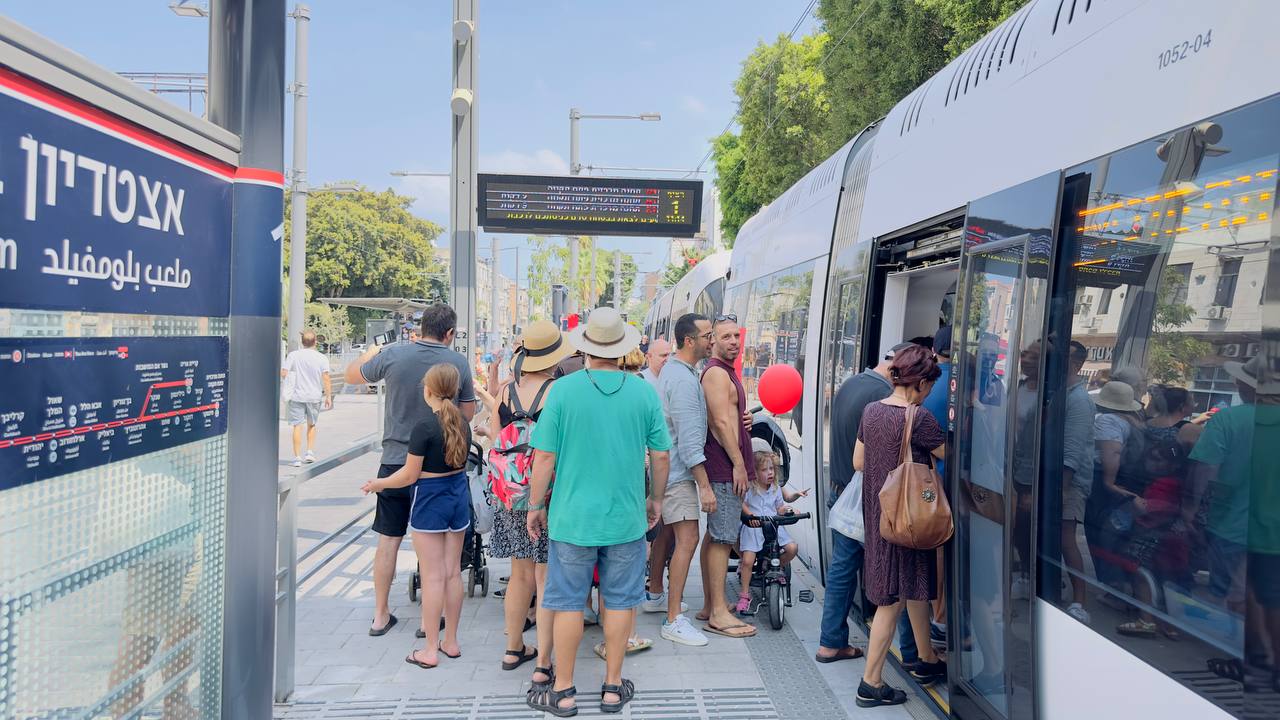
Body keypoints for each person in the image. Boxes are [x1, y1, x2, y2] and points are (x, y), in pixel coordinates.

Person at [524, 307, 671, 716]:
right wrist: (656, 500)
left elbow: (544, 458)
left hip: (571, 519)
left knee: (569, 602)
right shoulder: (643, 391)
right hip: (625, 518)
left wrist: (535, 505)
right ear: (623, 348)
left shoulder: (564, 391)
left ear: (586, 347)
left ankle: (565, 689)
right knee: (622, 601)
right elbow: (661, 456)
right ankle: (611, 686)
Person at [343, 304, 476, 637]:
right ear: (450, 333)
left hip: (394, 463)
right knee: (438, 550)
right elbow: (468, 415)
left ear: (421, 327)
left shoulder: (394, 356)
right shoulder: (457, 363)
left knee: (388, 540)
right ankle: (434, 621)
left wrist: (370, 352)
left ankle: (379, 614)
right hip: (437, 467)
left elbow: (350, 376)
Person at [360, 363, 473, 669]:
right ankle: (451, 641)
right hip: (458, 498)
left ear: (428, 390)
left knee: (432, 575)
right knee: (452, 573)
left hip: (431, 501)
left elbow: (409, 475)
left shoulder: (424, 427)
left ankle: (431, 649)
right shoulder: (463, 422)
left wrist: (378, 484)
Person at [855, 344, 947, 708]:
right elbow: (948, 456)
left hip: (880, 515)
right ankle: (870, 683)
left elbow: (859, 461)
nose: (929, 394)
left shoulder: (872, 410)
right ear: (921, 383)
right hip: (908, 517)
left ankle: (926, 658)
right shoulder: (918, 418)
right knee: (891, 602)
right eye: (930, 387)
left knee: (912, 590)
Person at [482, 321, 572, 682]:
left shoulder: (506, 391)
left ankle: (513, 647)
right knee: (545, 576)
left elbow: (493, 436)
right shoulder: (559, 391)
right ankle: (543, 661)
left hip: (510, 495)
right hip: (545, 496)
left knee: (519, 574)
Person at [816, 342, 914, 664]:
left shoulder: (851, 383)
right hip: (869, 503)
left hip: (842, 495)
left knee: (842, 573)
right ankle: (913, 654)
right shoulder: (883, 399)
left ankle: (831, 641)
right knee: (895, 573)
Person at [645, 313, 715, 647]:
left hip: (668, 471)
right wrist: (704, 484)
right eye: (708, 335)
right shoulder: (685, 380)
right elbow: (689, 441)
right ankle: (674, 618)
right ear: (690, 341)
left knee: (668, 535)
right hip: (679, 473)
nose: (711, 340)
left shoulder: (675, 371)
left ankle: (657, 593)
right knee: (688, 539)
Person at [699, 316, 758, 638]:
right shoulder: (716, 374)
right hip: (724, 468)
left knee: (715, 536)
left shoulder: (725, 373)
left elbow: (729, 416)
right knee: (723, 539)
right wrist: (738, 463)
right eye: (726, 336)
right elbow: (719, 423)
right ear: (713, 341)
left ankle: (711, 605)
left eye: (737, 335)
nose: (734, 341)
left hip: (726, 466)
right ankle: (719, 614)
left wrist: (743, 417)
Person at [1088, 380, 1147, 596]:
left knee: (1100, 532)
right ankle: (1121, 585)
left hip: (1104, 481)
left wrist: (1108, 482)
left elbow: (1111, 453)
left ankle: (1113, 586)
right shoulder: (1134, 421)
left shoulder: (1107, 421)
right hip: (1128, 479)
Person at [736, 440, 806, 611]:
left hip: (773, 527)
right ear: (754, 472)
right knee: (747, 561)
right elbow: (742, 503)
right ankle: (745, 595)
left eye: (771, 469)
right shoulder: (750, 487)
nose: (769, 473)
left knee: (792, 548)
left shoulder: (775, 488)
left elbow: (779, 507)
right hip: (754, 527)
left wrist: (788, 510)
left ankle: (776, 566)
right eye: (764, 470)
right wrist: (749, 515)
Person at [281, 331, 333, 467]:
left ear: (302, 342)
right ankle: (309, 452)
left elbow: (284, 373)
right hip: (314, 397)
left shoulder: (293, 355)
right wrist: (328, 396)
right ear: (315, 341)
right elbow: (326, 378)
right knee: (312, 425)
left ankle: (297, 457)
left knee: (297, 426)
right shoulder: (322, 358)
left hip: (297, 396)